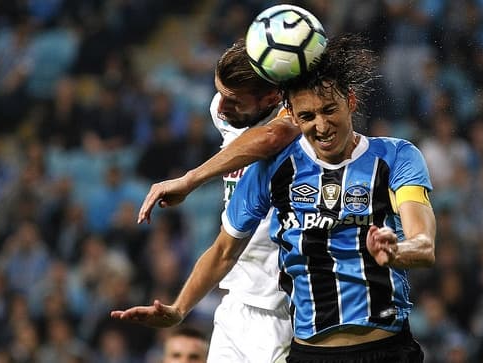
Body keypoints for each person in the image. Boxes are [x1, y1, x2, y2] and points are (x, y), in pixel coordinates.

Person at [112, 34, 436, 362]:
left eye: (328, 110)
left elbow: (424, 243)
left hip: (336, 331)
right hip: (274, 327)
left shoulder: (392, 156)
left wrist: (397, 250)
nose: (321, 126)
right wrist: (180, 308)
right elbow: (224, 249)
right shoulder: (264, 156)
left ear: (350, 101)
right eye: (308, 116)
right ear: (294, 114)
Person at [117, 39, 299, 363]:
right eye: (220, 92)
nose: (221, 106)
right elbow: (224, 249)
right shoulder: (225, 113)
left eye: (234, 100)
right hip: (235, 304)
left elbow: (271, 136)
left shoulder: (298, 126)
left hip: (283, 311)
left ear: (271, 97)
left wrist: (190, 180)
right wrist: (179, 310)